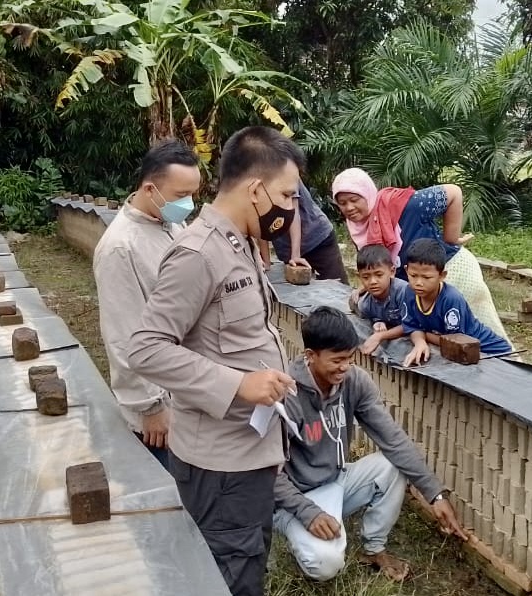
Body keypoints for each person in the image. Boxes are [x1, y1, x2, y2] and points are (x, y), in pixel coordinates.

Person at [127, 126, 301, 596]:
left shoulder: (238, 242)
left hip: (248, 451)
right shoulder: (198, 254)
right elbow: (146, 347)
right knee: (229, 578)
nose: (291, 208)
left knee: (247, 564)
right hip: (221, 465)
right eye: (287, 194)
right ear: (256, 189)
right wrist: (236, 385)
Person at [273, 306, 467, 582]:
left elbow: (393, 440)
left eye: (349, 358)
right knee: (326, 565)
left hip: (336, 479)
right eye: (337, 360)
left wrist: (434, 494)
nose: (345, 368)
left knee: (393, 464)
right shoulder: (287, 396)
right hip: (295, 496)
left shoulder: (354, 382)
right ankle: (292, 531)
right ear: (310, 356)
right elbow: (267, 471)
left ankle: (374, 550)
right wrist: (307, 513)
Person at [92, 139, 201, 469]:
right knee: (172, 486)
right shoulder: (120, 248)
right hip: (158, 400)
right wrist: (150, 407)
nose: (189, 204)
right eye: (182, 195)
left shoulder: (171, 224)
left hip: (184, 382)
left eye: (193, 194)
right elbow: (123, 336)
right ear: (150, 188)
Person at [331, 168, 510, 342]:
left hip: (452, 269)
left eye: (354, 200)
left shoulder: (406, 205)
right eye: (342, 203)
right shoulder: (358, 228)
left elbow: (454, 193)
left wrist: (451, 238)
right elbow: (377, 261)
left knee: (481, 332)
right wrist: (371, 281)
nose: (349, 207)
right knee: (444, 343)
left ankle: (510, 366)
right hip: (419, 283)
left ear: (367, 193)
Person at [401, 239, 512, 367]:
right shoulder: (409, 292)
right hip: (464, 353)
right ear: (406, 270)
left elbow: (455, 342)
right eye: (413, 275)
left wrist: (425, 335)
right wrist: (420, 342)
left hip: (493, 352)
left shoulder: (451, 299)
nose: (418, 282)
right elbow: (412, 326)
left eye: (426, 277)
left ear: (442, 275)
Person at [258, 181, 348, 283]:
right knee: (302, 295)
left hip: (318, 240)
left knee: (337, 288)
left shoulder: (285, 169)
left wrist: (295, 255)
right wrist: (266, 261)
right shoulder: (246, 176)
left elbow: (293, 212)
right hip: (287, 249)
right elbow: (259, 220)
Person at [348, 244, 409, 355]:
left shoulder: (403, 292)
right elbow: (356, 306)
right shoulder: (365, 304)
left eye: (379, 275)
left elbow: (411, 324)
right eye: (366, 277)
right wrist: (377, 321)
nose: (373, 281)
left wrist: (380, 336)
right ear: (359, 277)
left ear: (392, 272)